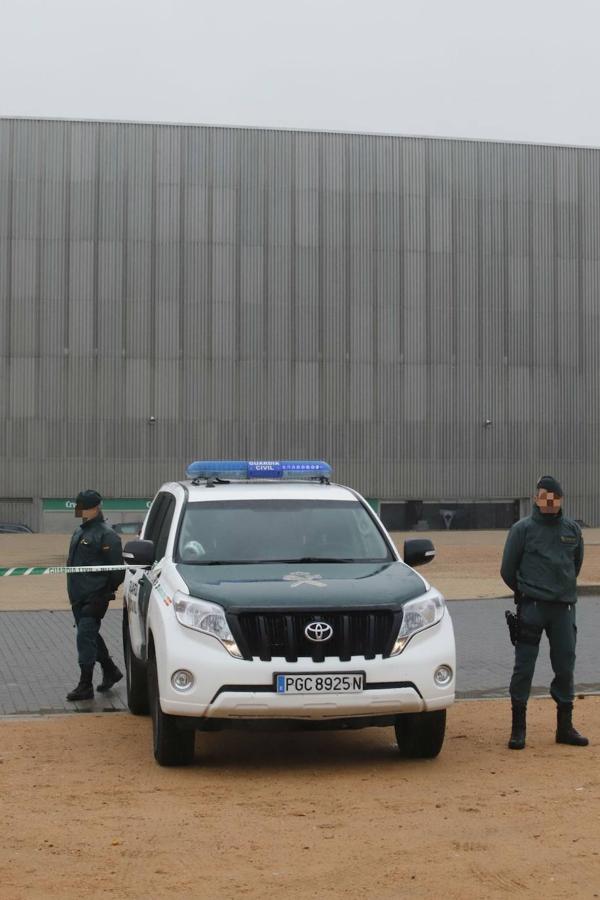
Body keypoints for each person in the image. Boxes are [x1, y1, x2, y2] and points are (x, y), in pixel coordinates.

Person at [500, 475, 588, 750]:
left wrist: (560, 589)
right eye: (543, 495)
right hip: (532, 608)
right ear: (537, 498)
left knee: (565, 665)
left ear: (560, 499)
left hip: (563, 608)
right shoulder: (522, 529)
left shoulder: (572, 530)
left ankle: (565, 727)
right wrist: (527, 591)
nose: (548, 501)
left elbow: (576, 564)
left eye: (553, 496)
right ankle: (518, 729)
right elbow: (507, 569)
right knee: (524, 666)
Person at [65, 490, 125, 701]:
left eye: (83, 507)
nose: (79, 511)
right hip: (78, 596)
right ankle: (111, 670)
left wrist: (105, 593)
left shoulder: (106, 535)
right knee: (89, 635)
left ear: (95, 507)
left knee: (84, 635)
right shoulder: (79, 532)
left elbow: (118, 570)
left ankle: (85, 684)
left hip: (95, 596)